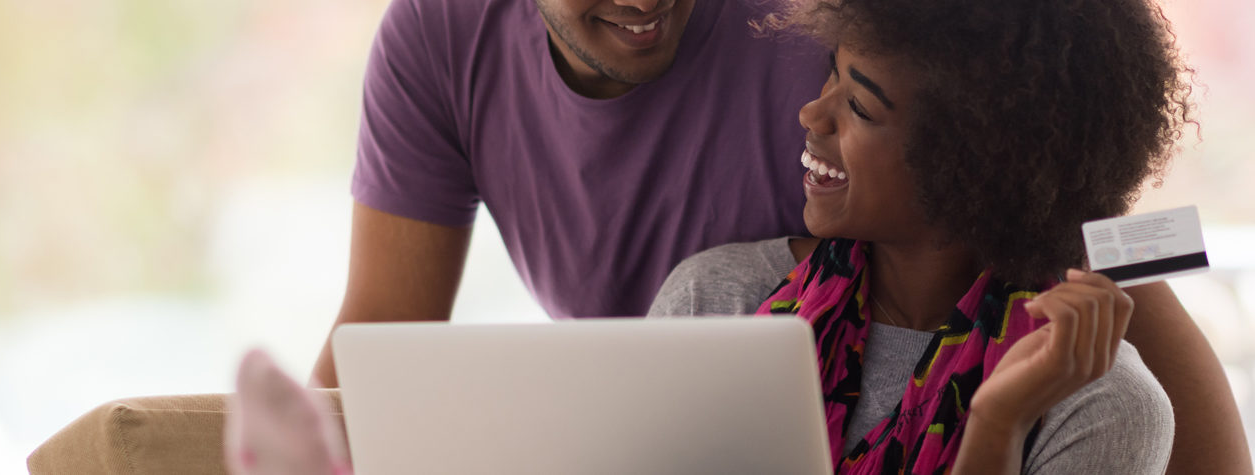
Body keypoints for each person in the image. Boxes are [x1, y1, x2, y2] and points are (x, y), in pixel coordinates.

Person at [310, 0, 1251, 471]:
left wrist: (1018, 413)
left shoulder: (825, 24)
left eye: (855, 102)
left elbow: (1066, 202)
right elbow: (384, 330)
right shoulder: (441, 38)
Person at [646, 0, 1193, 470]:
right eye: (832, 71)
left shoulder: (1100, 405)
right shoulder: (717, 301)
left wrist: (997, 425)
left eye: (860, 106)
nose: (812, 113)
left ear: (973, 162)